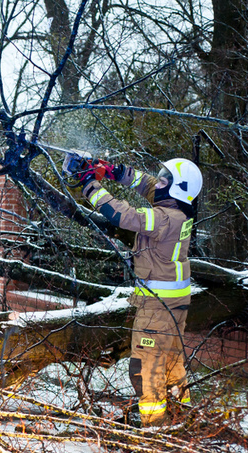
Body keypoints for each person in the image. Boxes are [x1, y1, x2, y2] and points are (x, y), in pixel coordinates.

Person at [64, 156, 203, 427]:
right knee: (173, 362)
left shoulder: (166, 219)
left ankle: (154, 427)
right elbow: (146, 183)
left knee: (145, 367)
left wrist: (90, 184)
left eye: (165, 178)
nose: (158, 181)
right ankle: (181, 415)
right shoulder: (179, 207)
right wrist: (115, 172)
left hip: (158, 307)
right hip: (174, 303)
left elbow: (123, 214)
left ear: (177, 188)